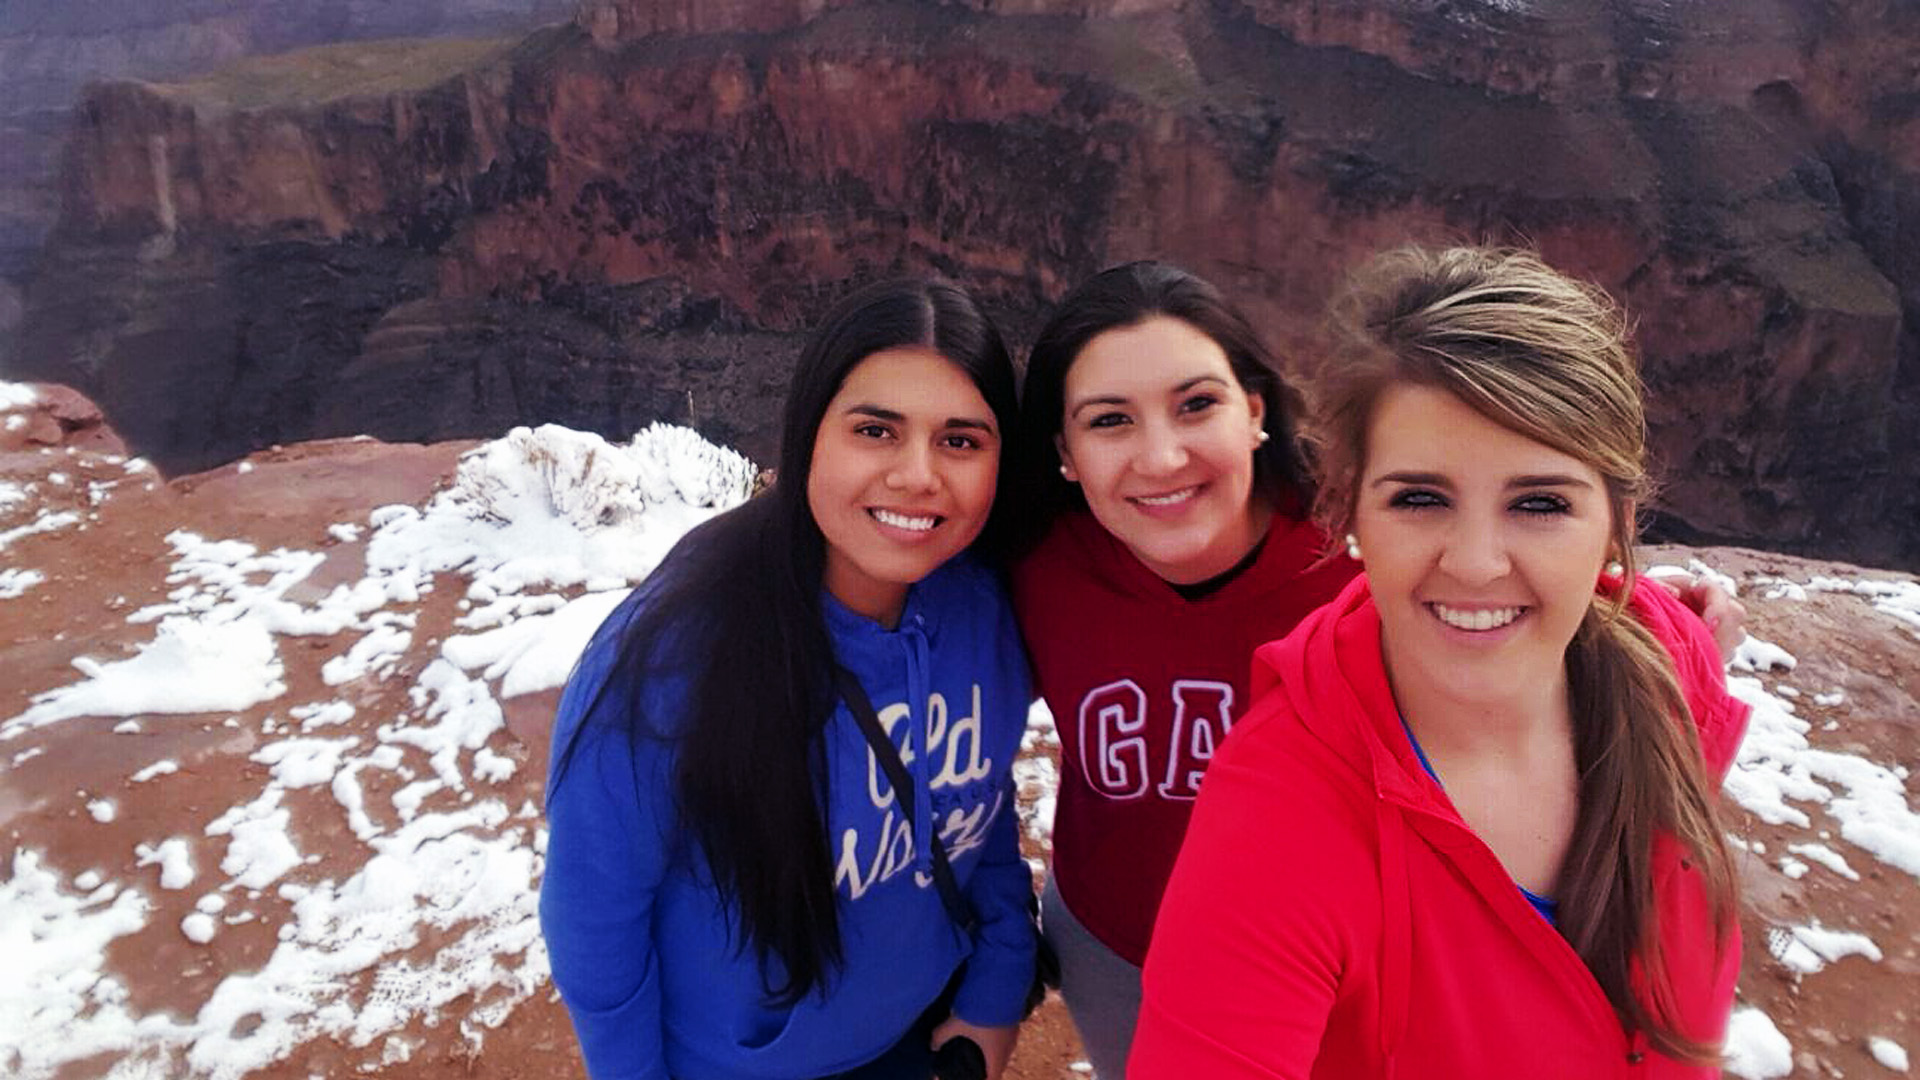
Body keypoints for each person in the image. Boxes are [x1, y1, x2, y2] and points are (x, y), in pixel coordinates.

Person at [1129, 246, 1749, 1078]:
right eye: (1420, 498)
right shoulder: (1279, 821)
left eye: (1540, 503)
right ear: (1352, 513)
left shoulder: (1662, 663)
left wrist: (1702, 646)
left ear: (1615, 523)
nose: (1476, 563)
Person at [540, 279, 1037, 1080]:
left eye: (961, 440)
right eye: (876, 430)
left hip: (927, 1037)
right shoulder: (669, 657)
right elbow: (596, 915)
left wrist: (999, 982)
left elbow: (977, 795)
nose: (918, 475)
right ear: (809, 434)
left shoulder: (983, 607)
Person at [1009, 262, 1361, 1076]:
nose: (1162, 458)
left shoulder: (1359, 565)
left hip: (1332, 971)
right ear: (1064, 452)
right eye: (1109, 421)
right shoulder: (1036, 566)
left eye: (1196, 404)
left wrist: (1673, 620)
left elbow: (1516, 598)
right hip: (1117, 953)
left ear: (1255, 410)